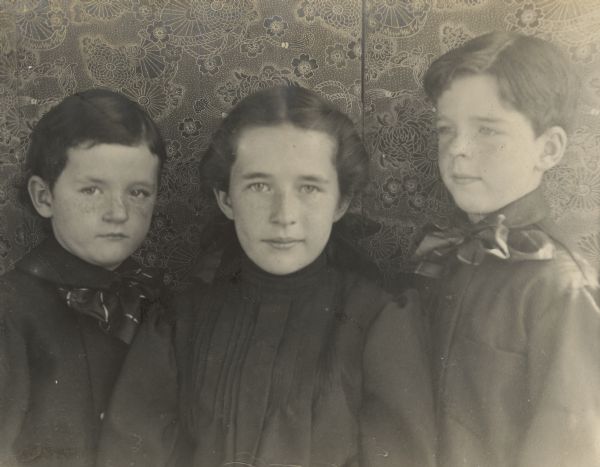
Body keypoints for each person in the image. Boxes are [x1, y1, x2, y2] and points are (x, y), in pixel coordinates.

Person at [97, 85, 436, 467]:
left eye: (309, 187)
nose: (283, 214)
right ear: (226, 199)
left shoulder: (377, 323)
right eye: (259, 186)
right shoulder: (176, 322)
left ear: (340, 202)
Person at [413, 31, 600, 467]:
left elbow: (569, 447)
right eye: (446, 130)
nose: (458, 150)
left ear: (548, 149)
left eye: (487, 130)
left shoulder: (560, 287)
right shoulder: (443, 252)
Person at [0, 89, 167, 467]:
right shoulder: (10, 310)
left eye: (138, 192)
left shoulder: (159, 301)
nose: (118, 212)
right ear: (44, 197)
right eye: (92, 189)